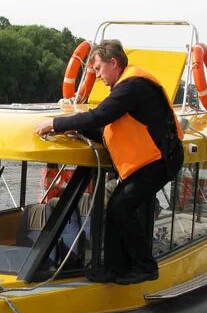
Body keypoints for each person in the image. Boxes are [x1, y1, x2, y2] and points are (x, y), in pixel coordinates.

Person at [34, 40, 184, 284]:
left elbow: (101, 115)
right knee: (115, 208)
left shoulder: (133, 86)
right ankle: (115, 269)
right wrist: (79, 132)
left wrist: (56, 124)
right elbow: (109, 130)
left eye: (98, 69)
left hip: (160, 161)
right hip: (146, 162)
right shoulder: (126, 89)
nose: (97, 76)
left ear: (113, 63)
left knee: (121, 207)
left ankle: (146, 267)